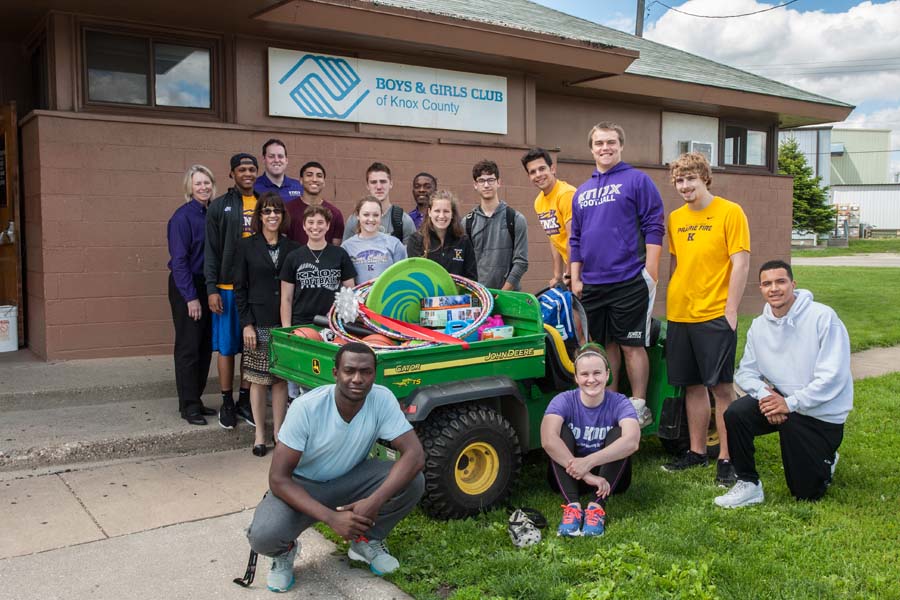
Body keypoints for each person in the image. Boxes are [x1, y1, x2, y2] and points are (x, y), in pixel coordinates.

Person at [246, 343, 425, 591]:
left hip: (352, 479)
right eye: (349, 370)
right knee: (263, 536)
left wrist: (373, 501)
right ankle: (284, 552)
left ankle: (366, 541)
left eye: (366, 372)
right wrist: (332, 518)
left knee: (413, 480)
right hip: (302, 486)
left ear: (374, 373)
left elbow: (414, 455)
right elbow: (278, 479)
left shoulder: (381, 399)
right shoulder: (306, 408)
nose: (357, 379)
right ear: (335, 373)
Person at [714, 260, 852, 508]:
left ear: (793, 284)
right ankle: (748, 483)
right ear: (761, 289)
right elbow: (745, 372)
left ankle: (826, 459)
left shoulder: (823, 317)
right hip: (782, 402)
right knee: (736, 414)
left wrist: (788, 404)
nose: (774, 288)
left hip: (820, 414)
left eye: (780, 281)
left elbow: (832, 378)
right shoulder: (759, 326)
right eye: (767, 283)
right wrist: (767, 398)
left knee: (806, 493)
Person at [662, 152, 750, 486]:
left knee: (722, 388)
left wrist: (731, 309)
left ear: (705, 178)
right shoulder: (676, 218)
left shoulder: (730, 212)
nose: (685, 186)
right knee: (692, 386)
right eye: (679, 181)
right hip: (680, 314)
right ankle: (697, 453)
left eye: (690, 179)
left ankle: (728, 457)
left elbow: (740, 263)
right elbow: (675, 263)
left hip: (715, 313)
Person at [569, 122, 664, 425]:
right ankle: (606, 405)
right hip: (593, 284)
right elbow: (576, 238)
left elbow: (654, 225)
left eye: (611, 142)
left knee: (631, 344)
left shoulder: (637, 180)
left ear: (621, 145)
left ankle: (638, 405)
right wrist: (576, 276)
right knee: (603, 345)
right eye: (599, 143)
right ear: (591, 148)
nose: (605, 148)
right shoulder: (582, 192)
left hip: (629, 279)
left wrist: (650, 271)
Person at [540, 343, 640, 537]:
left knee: (619, 434)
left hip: (609, 478)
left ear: (607, 374)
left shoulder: (620, 402)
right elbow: (547, 440)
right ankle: (573, 507)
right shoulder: (563, 400)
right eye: (584, 374)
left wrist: (588, 463)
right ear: (576, 377)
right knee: (559, 432)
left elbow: (632, 441)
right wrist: (586, 474)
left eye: (597, 373)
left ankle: (596, 508)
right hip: (570, 475)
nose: (591, 379)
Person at [234, 192, 299, 457]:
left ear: (283, 216)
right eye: (267, 211)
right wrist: (246, 324)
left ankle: (279, 433)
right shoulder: (246, 247)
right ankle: (260, 433)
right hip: (258, 322)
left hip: (283, 323)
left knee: (280, 380)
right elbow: (240, 289)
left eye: (277, 211)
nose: (272, 216)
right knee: (258, 380)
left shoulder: (293, 248)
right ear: (259, 216)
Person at [204, 153, 258, 430]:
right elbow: (211, 251)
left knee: (251, 348)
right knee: (226, 349)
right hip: (226, 288)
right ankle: (227, 400)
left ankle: (245, 399)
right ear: (232, 174)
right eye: (241, 169)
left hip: (256, 289)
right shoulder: (219, 207)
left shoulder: (265, 204)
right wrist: (211, 288)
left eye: (251, 169)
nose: (247, 173)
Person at [167, 165, 216, 425]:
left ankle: (196, 398)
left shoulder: (212, 213)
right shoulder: (182, 217)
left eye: (207, 183)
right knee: (189, 346)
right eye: (198, 183)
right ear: (189, 187)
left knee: (205, 345)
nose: (203, 187)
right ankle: (188, 406)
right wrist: (190, 297)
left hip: (208, 284)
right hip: (187, 284)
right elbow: (179, 261)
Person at [280, 205, 356, 329]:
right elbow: (286, 299)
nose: (315, 227)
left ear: (328, 226)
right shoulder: (293, 257)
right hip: (301, 323)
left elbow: (351, 292)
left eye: (320, 222)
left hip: (333, 322)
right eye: (310, 222)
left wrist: (347, 322)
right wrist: (287, 328)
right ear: (304, 226)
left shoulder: (340, 254)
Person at [465, 159, 529, 290]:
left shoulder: (515, 219)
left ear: (499, 182)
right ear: (475, 185)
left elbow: (521, 262)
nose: (486, 185)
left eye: (491, 180)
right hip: (479, 296)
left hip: (509, 297)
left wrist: (503, 294)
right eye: (481, 181)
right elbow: (465, 264)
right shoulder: (467, 222)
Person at [521, 148, 576, 288]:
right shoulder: (539, 202)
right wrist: (557, 275)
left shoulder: (566, 194)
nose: (538, 175)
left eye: (542, 169)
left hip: (590, 268)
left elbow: (573, 237)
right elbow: (554, 238)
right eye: (532, 172)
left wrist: (570, 274)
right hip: (575, 270)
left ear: (552, 169)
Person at [406, 189, 477, 280]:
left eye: (446, 211)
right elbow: (415, 276)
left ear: (452, 214)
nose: (441, 216)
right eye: (437, 211)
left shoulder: (463, 241)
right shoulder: (416, 240)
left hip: (456, 294)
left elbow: (472, 279)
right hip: (429, 294)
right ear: (429, 212)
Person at [343, 162, 416, 244]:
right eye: (373, 182)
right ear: (367, 185)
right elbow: (345, 254)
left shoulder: (404, 221)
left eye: (383, 182)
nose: (379, 187)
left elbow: (410, 256)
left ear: (391, 184)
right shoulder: (355, 220)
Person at [342, 196, 408, 283]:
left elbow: (402, 275)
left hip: (387, 295)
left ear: (381, 215)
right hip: (358, 296)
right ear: (357, 216)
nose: (371, 219)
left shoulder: (394, 244)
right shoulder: (347, 247)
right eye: (366, 214)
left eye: (376, 215)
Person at [285, 161, 344, 246]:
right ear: (301, 180)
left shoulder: (335, 213)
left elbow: (336, 249)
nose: (314, 179)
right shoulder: (288, 210)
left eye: (319, 176)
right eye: (309, 175)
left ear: (324, 182)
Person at [253, 138, 303, 204]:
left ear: (286, 160)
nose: (276, 160)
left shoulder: (299, 187)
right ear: (264, 159)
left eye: (280, 156)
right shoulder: (253, 187)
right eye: (271, 156)